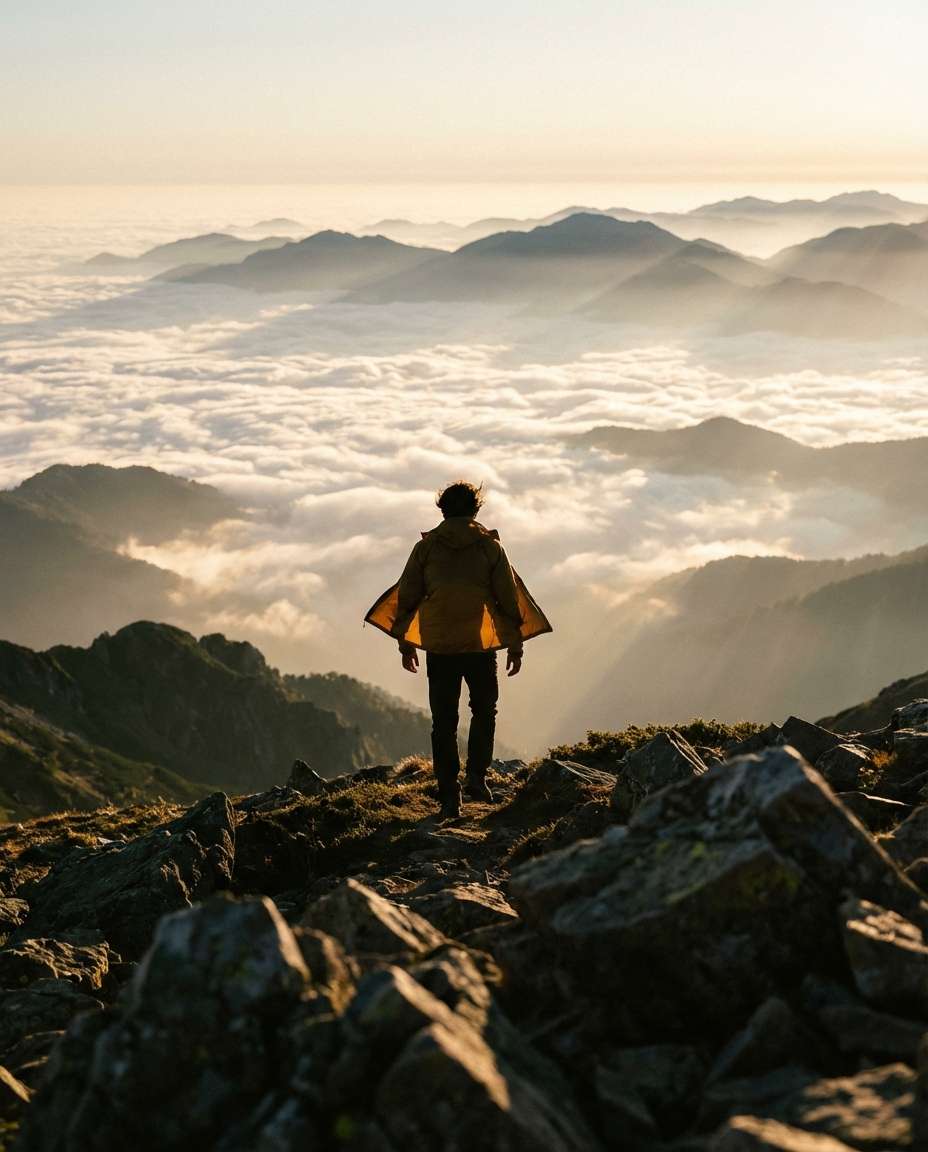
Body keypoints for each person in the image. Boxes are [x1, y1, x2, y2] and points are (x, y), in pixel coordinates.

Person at [364, 482, 551, 819]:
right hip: (479, 645)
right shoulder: (489, 547)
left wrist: (406, 644)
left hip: (439, 646)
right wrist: (515, 646)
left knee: (444, 721)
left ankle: (450, 795)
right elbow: (508, 601)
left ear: (442, 510)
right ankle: (477, 779)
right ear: (475, 510)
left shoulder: (427, 548)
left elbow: (407, 599)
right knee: (484, 710)